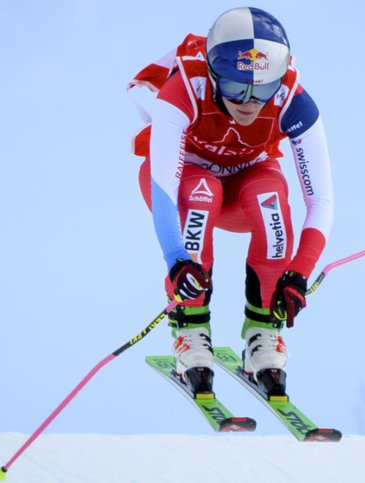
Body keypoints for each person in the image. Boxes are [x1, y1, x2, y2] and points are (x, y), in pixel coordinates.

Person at [128, 7, 333, 397]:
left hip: (246, 183)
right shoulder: (185, 87)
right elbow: (164, 188)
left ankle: (263, 338)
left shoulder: (293, 99)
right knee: (201, 195)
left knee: (269, 198)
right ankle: (191, 334)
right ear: (213, 73)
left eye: (263, 90)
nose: (249, 103)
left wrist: (300, 273)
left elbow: (321, 200)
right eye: (237, 88)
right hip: (186, 180)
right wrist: (177, 259)